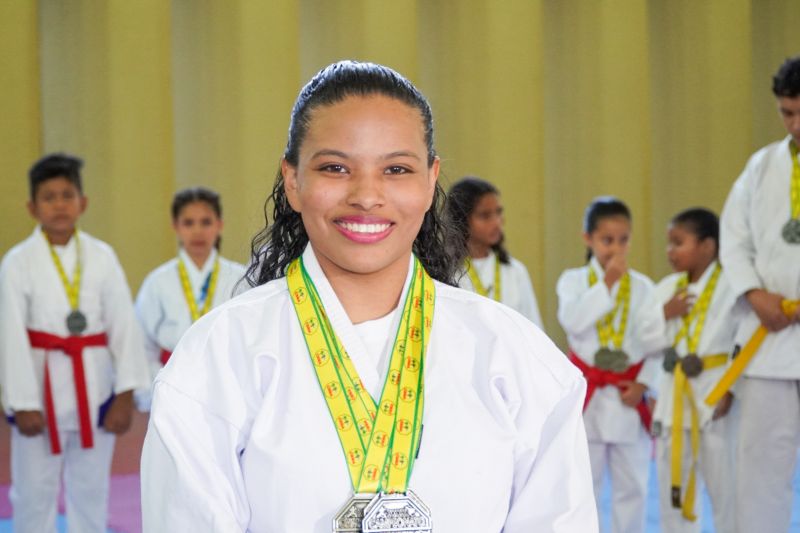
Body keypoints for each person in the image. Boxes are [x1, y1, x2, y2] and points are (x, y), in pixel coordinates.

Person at [140, 60, 597, 532]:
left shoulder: (516, 357)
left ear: (428, 181)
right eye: (335, 167)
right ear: (293, 181)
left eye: (396, 169)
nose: (366, 195)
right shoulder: (219, 356)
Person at [0, 153, 150, 532]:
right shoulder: (17, 262)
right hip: (39, 390)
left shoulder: (102, 257)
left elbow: (123, 325)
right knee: (34, 491)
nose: (59, 204)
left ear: (82, 202)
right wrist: (22, 404)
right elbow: (10, 336)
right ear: (33, 207)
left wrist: (125, 392)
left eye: (67, 195)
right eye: (48, 197)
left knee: (91, 489)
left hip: (94, 391)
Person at [718, 55, 800, 533]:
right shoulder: (761, 166)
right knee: (761, 470)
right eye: (787, 113)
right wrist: (752, 291)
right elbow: (735, 238)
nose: (795, 123)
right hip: (769, 340)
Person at [556, 196, 666, 533]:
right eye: (607, 240)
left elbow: (656, 344)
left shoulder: (644, 287)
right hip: (588, 397)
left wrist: (645, 384)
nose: (615, 248)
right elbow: (573, 322)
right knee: (584, 489)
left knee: (632, 489)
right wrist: (606, 284)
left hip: (627, 397)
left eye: (623, 240)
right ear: (587, 239)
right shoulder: (573, 281)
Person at [652, 208, 739, 532]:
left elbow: (742, 341)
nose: (670, 251)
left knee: (724, 490)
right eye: (668, 243)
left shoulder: (732, 286)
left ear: (707, 246)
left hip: (716, 397)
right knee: (671, 485)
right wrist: (664, 312)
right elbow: (643, 341)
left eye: (678, 242)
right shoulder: (666, 288)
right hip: (673, 399)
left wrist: (732, 388)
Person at [134, 186, 246, 410]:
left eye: (206, 222)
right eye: (188, 223)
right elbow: (142, 344)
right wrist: (156, 390)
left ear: (220, 225)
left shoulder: (240, 278)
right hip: (171, 382)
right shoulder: (158, 281)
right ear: (175, 226)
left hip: (228, 385)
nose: (198, 231)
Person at [446, 176, 544, 328]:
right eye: (485, 215)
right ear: (461, 220)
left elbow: (534, 329)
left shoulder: (515, 271)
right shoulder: (446, 273)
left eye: (498, 213)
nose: (497, 222)